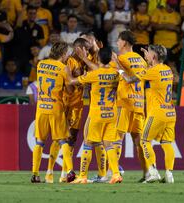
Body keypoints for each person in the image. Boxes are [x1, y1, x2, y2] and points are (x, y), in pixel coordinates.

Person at [119, 44, 176, 183]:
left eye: (149, 53)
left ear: (154, 56)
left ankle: (153, 171)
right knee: (167, 143)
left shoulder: (153, 71)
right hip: (170, 112)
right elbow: (150, 72)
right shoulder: (168, 70)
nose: (147, 56)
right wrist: (147, 59)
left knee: (144, 140)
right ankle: (169, 174)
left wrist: (119, 70)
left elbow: (130, 79)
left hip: (157, 112)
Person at [68, 47, 122, 184]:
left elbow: (72, 82)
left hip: (96, 114)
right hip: (111, 113)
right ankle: (115, 174)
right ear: (111, 59)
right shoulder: (116, 73)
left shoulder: (94, 74)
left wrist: (67, 72)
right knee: (109, 144)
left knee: (87, 143)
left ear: (97, 59)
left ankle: (82, 176)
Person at [44, 38, 91, 184]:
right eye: (86, 49)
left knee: (71, 139)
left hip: (77, 105)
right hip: (66, 104)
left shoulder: (85, 61)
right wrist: (79, 77)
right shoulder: (68, 62)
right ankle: (50, 172)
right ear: (78, 48)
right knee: (60, 138)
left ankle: (64, 174)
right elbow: (68, 86)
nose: (87, 52)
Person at [31, 42, 75, 183]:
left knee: (40, 141)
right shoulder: (63, 68)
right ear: (63, 54)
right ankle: (70, 171)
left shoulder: (40, 65)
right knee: (63, 140)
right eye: (67, 53)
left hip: (41, 107)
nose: (68, 55)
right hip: (56, 108)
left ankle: (35, 174)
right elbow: (69, 90)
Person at [114, 30, 148, 182]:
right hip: (139, 104)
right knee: (139, 141)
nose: (117, 43)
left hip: (125, 102)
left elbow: (117, 77)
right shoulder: (142, 61)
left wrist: (117, 66)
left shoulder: (121, 59)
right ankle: (148, 173)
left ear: (125, 43)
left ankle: (113, 172)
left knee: (116, 139)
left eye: (118, 40)